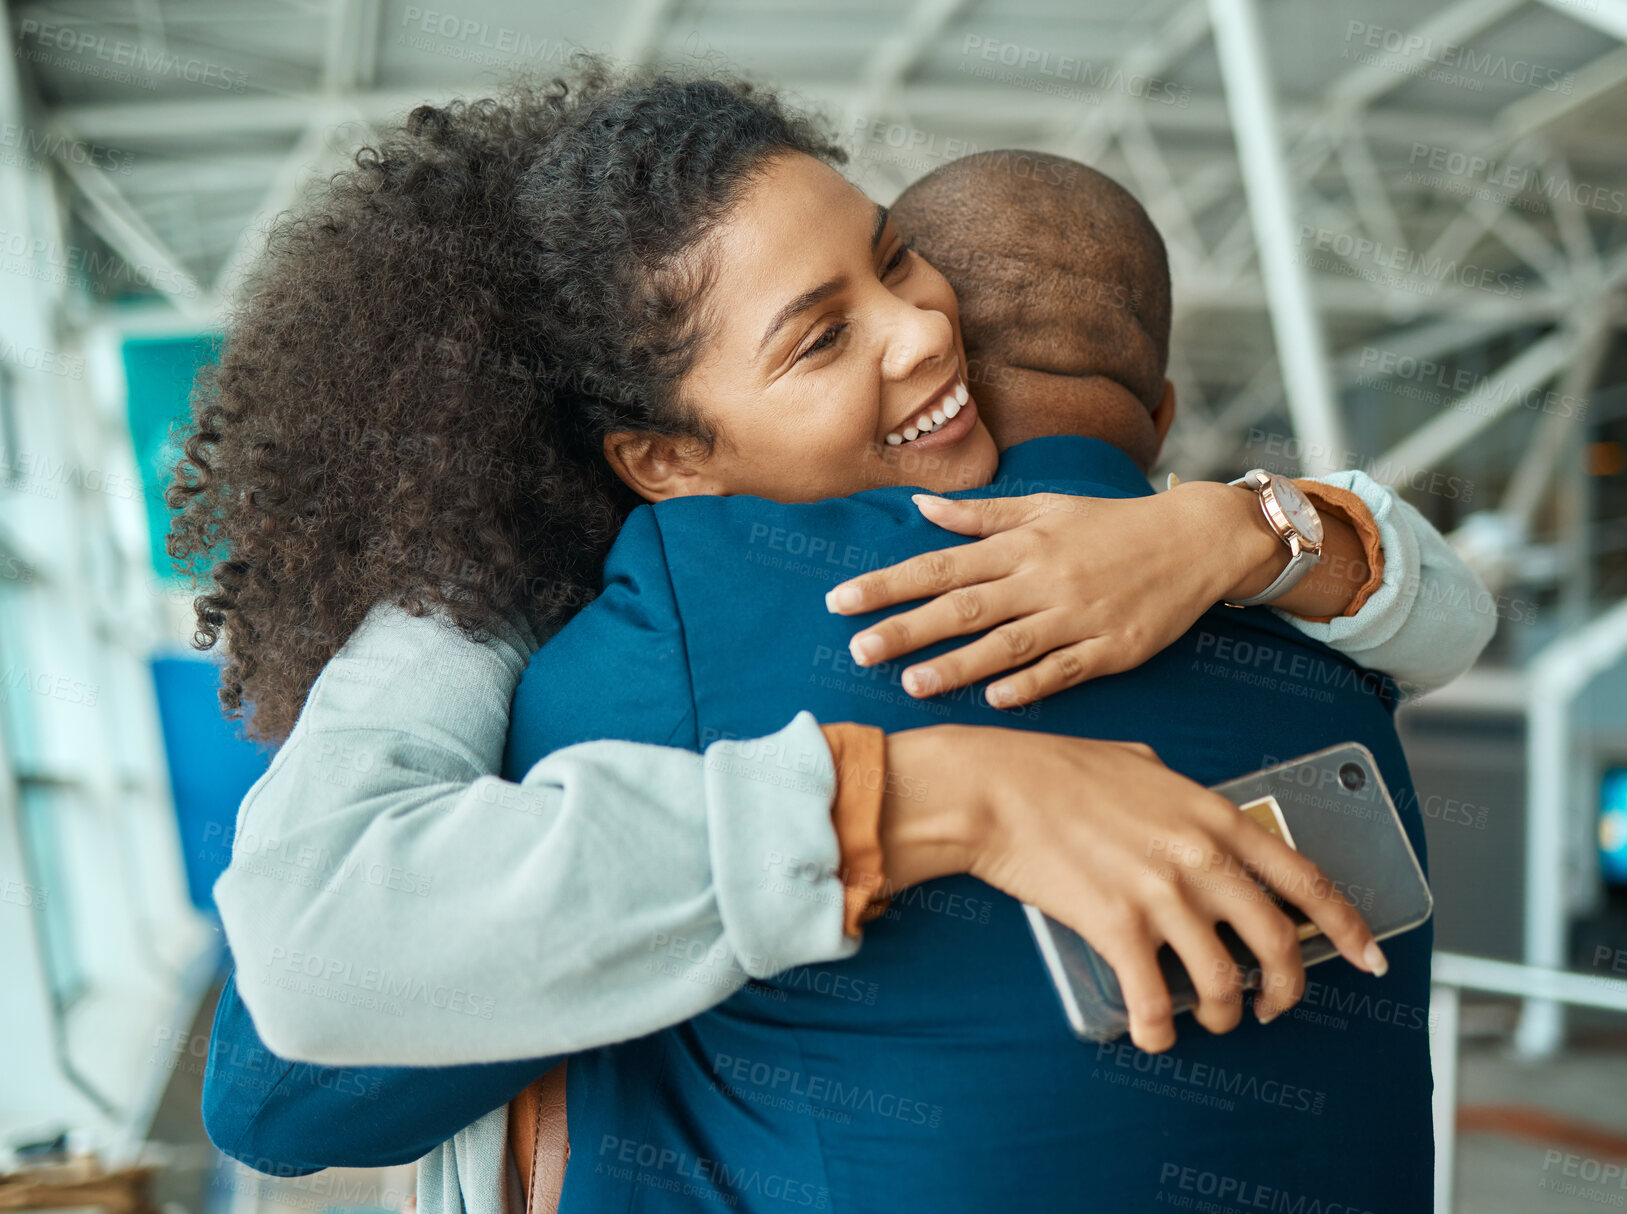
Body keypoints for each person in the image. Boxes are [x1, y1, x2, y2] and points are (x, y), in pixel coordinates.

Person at [179, 67, 1491, 1214]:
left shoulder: (680, 636)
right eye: (819, 337)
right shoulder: (1324, 659)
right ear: (661, 458)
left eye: (896, 258)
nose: (927, 330)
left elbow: (284, 1100)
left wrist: (1239, 530)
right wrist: (945, 788)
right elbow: (305, 1030)